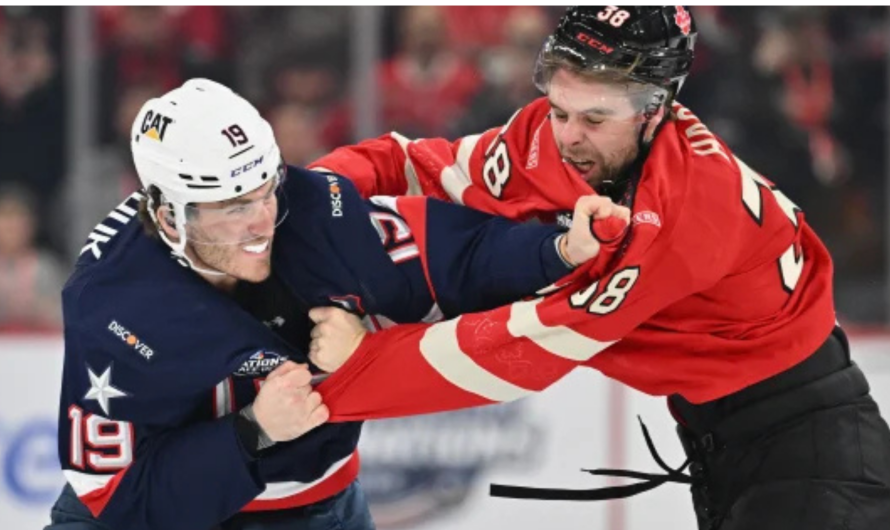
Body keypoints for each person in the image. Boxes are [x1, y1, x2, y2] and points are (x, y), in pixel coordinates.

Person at [308, 6, 890, 529]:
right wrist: (300, 199)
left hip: (813, 445)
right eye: (560, 109)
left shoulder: (681, 211)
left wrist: (357, 366)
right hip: (725, 436)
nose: (567, 137)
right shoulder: (553, 133)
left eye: (593, 118)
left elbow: (524, 352)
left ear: (654, 108)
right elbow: (419, 164)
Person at [46, 78, 628, 530]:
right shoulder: (112, 305)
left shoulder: (314, 213)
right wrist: (251, 433)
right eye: (232, 206)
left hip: (313, 509)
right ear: (170, 214)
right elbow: (118, 501)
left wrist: (558, 248)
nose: (261, 223)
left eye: (264, 191)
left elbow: (455, 255)